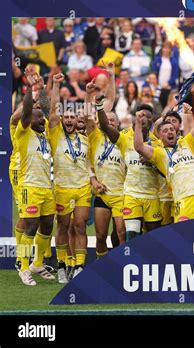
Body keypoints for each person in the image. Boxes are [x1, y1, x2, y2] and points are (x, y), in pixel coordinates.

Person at [133, 93, 194, 222]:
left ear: (176, 132)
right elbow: (139, 147)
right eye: (165, 130)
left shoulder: (186, 142)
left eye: (172, 129)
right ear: (160, 136)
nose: (170, 132)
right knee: (183, 237)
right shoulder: (159, 153)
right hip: (184, 200)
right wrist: (138, 124)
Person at [96, 95, 162, 240]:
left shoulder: (158, 143)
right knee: (132, 236)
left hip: (152, 196)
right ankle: (132, 262)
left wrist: (153, 161)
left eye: (145, 118)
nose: (142, 120)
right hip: (132, 195)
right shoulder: (125, 139)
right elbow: (106, 126)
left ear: (150, 122)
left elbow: (164, 171)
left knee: (154, 238)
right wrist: (99, 107)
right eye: (139, 117)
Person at [49, 73, 91, 281]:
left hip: (82, 187)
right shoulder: (55, 135)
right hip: (62, 188)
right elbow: (53, 111)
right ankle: (62, 265)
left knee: (80, 226)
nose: (68, 120)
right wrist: (56, 85)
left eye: (72, 117)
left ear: (77, 120)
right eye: (66, 117)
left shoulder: (85, 139)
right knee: (63, 226)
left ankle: (80, 266)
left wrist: (89, 95)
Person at [16, 68, 56, 286]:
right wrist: (31, 88)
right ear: (28, 118)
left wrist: (41, 89)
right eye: (38, 117)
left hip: (46, 187)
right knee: (30, 227)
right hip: (29, 186)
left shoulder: (45, 133)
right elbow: (27, 110)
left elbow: (48, 109)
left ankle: (38, 263)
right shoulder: (22, 132)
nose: (42, 120)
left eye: (42, 118)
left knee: (48, 225)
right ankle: (23, 266)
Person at [84, 76, 126, 259]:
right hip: (102, 193)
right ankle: (102, 265)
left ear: (118, 124)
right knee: (100, 235)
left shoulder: (124, 140)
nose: (109, 123)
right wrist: (87, 95)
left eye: (113, 121)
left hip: (121, 194)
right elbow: (86, 117)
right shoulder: (95, 136)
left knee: (121, 233)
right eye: (107, 120)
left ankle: (125, 263)